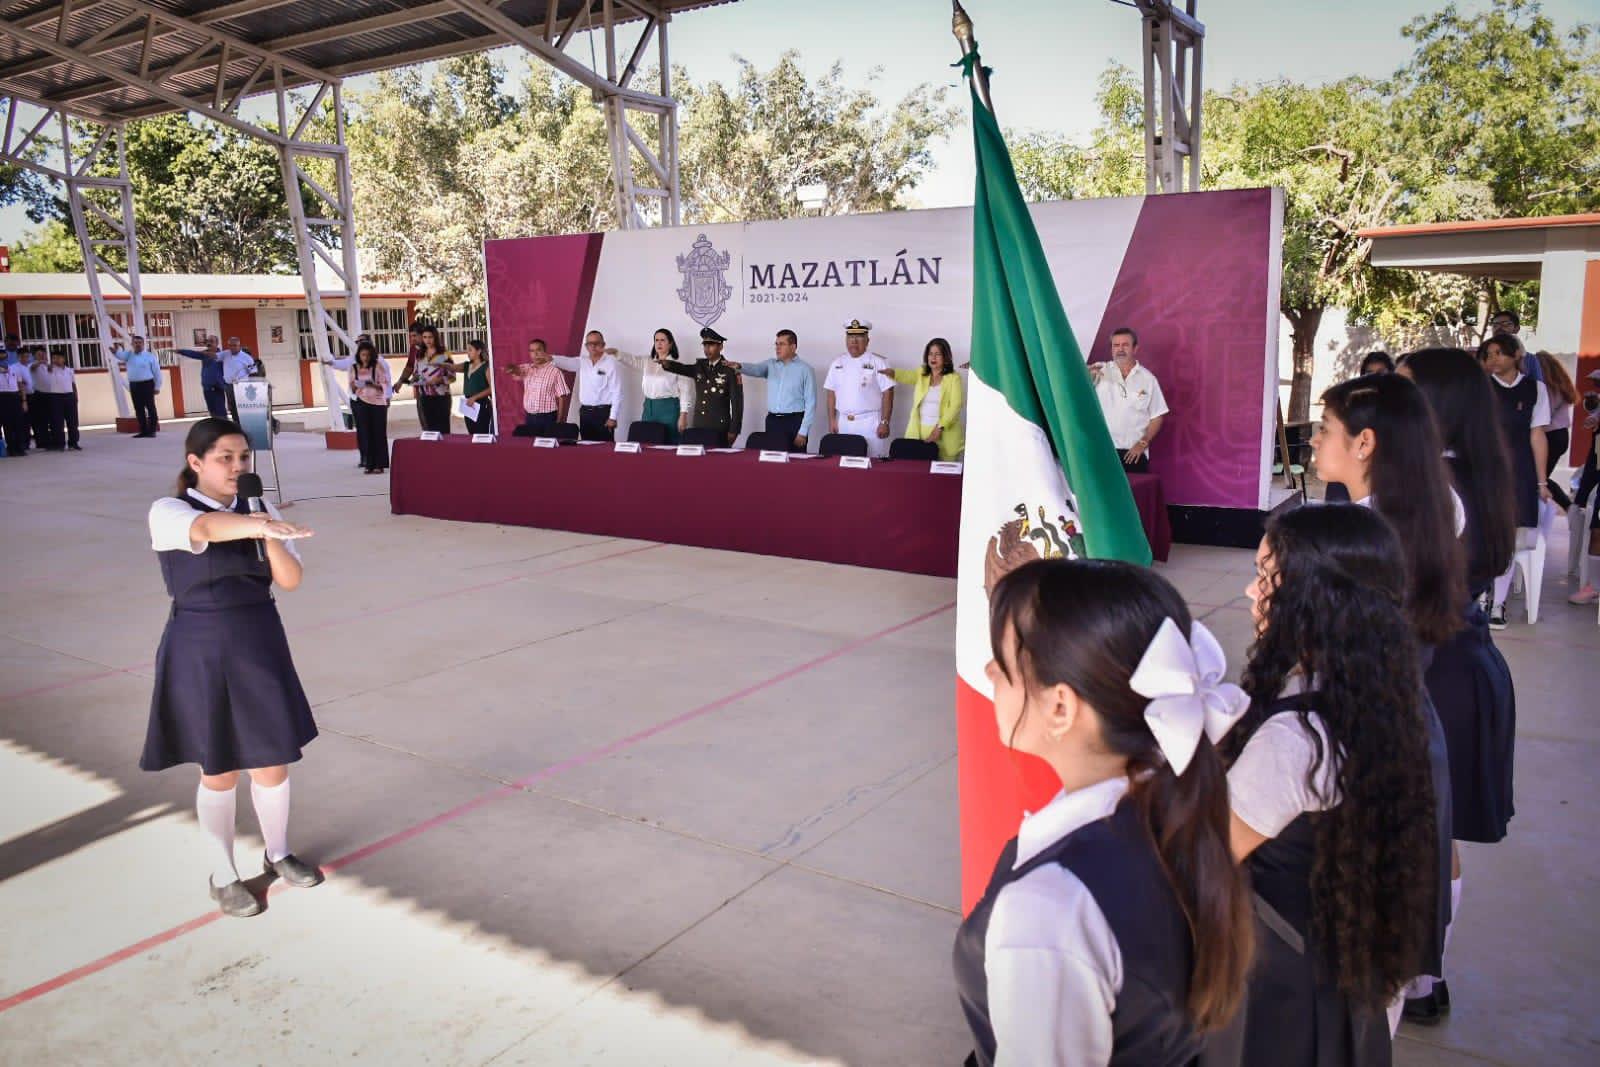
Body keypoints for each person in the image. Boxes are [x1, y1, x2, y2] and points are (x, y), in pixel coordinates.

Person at [957, 558, 1253, 1066]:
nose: (987, 671)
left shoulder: (1049, 908)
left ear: (1060, 708)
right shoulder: (1169, 805)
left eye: (1003, 661)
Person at [1224, 504, 1440, 1064]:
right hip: (1352, 980)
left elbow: (1201, 855)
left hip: (1286, 1004)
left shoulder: (1296, 741)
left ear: (1317, 598)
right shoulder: (1381, 697)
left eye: (1268, 577)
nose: (1252, 592)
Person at [1310, 373, 1464, 1032]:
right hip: (1409, 721)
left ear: (1365, 442)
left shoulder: (1361, 538)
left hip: (1366, 732)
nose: (1313, 440)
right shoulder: (1438, 506)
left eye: (1324, 428)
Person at [142, 418, 323, 918]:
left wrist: (268, 533)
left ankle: (278, 851)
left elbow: (289, 580)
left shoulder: (258, 509)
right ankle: (223, 875)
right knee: (218, 767)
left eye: (244, 457)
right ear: (195, 462)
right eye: (225, 457)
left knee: (272, 760)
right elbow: (205, 530)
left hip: (259, 638)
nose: (238, 467)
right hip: (199, 644)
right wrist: (260, 524)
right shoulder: (170, 510)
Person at [1397, 348, 1519, 1022]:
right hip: (1465, 663)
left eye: (1407, 390)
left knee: (1425, 834)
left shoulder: (1435, 487)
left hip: (1438, 670)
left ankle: (1419, 977)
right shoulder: (1476, 470)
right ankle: (1424, 976)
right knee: (1439, 840)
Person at [1478, 333, 1551, 629]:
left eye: (1499, 353)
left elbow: (1537, 435)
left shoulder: (1536, 389)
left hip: (1519, 471)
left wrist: (1542, 482)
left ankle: (1498, 603)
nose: (1493, 360)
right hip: (1485, 469)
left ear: (1517, 355)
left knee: (1509, 539)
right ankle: (1481, 594)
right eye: (1488, 355)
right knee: (1483, 535)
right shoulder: (1480, 389)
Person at [1088, 327, 1169, 473]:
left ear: (1135, 348)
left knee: (1133, 495)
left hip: (1133, 454)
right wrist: (1085, 376)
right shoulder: (1099, 370)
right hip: (1102, 451)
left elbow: (1157, 416)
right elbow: (1078, 391)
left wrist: (1142, 444)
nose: (1120, 349)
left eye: (1125, 345)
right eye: (1116, 345)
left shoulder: (1148, 379)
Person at [877, 336, 966, 460]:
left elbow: (956, 405)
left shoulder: (954, 377)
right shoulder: (922, 372)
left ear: (946, 357)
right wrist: (893, 373)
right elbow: (908, 376)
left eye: (937, 354)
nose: (933, 358)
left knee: (945, 477)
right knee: (919, 473)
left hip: (945, 434)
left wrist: (939, 428)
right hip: (919, 432)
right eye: (930, 354)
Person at [729, 329, 818, 451]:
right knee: (773, 460)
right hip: (773, 421)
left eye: (782, 344)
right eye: (776, 344)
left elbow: (811, 403)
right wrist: (739, 366)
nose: (777, 348)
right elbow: (755, 369)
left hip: (795, 422)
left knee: (795, 462)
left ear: (793, 347)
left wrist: (803, 431)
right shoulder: (770, 365)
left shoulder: (806, 369)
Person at [660, 327, 744, 446]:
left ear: (720, 347)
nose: (707, 349)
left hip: (719, 427)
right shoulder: (700, 366)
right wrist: (667, 364)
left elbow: (737, 403)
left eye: (711, 345)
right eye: (705, 345)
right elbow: (683, 368)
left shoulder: (730, 370)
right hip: (699, 425)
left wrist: (734, 430)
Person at [822, 319, 893, 457]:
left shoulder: (879, 362)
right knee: (844, 466)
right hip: (843, 423)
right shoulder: (837, 363)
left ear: (867, 340)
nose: (854, 341)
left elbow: (888, 393)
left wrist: (885, 422)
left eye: (859, 337)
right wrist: (832, 419)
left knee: (871, 464)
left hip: (869, 424)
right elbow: (831, 392)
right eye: (850, 337)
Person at [610, 328, 692, 443]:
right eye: (656, 340)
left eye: (662, 340)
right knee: (647, 442)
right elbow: (632, 360)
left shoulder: (678, 366)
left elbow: (685, 392)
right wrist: (616, 352)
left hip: (669, 408)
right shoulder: (647, 361)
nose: (659, 343)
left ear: (670, 343)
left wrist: (683, 415)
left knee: (669, 443)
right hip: (649, 408)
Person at [551, 330, 621, 441]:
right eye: (590, 344)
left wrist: (613, 417)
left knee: (605, 450)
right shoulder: (582, 361)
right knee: (587, 447)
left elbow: (617, 392)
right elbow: (566, 362)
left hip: (604, 413)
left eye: (596, 343)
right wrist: (550, 358)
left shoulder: (610, 363)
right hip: (585, 413)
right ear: (586, 346)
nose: (593, 346)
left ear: (603, 344)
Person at [1533, 351, 1577, 509]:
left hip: (1549, 436)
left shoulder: (1546, 387)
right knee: (1539, 477)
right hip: (1560, 435)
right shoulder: (1560, 384)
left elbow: (1544, 415)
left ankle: (1568, 507)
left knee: (1537, 478)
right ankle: (1568, 507)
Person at [503, 338, 570, 435]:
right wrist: (511, 368)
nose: (535, 354)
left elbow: (562, 397)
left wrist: (559, 421)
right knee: (532, 447)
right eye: (532, 351)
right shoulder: (527, 368)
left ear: (545, 352)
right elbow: (516, 370)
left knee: (547, 447)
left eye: (538, 350)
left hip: (548, 418)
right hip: (530, 417)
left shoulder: (555, 371)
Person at [345, 340, 392, 474]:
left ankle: (379, 464)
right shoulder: (354, 368)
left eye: (368, 355)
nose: (365, 358)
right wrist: (356, 385)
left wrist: (372, 384)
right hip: (362, 402)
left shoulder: (377, 366)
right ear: (359, 355)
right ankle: (368, 463)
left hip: (377, 403)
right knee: (365, 433)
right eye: (363, 355)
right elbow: (352, 386)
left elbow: (384, 384)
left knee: (378, 432)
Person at [406, 325, 456, 435]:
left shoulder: (444, 354)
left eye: (430, 337)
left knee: (443, 431)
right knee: (429, 430)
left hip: (441, 397)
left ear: (436, 338)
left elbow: (452, 377)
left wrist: (439, 380)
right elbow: (416, 373)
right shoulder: (419, 355)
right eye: (425, 337)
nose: (427, 340)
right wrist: (413, 380)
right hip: (424, 397)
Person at [116, 334, 163, 438]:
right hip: (134, 385)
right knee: (138, 408)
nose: (138, 345)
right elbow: (118, 355)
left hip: (147, 384)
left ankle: (152, 430)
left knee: (150, 408)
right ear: (132, 344)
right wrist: (116, 348)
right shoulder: (128, 355)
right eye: (135, 343)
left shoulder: (150, 356)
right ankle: (143, 431)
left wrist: (157, 387)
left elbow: (157, 372)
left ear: (143, 344)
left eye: (140, 343)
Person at [178, 335, 229, 418]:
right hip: (207, 388)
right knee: (212, 411)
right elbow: (192, 353)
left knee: (221, 411)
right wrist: (180, 351)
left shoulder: (222, 355)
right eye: (208, 341)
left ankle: (225, 428)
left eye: (211, 341)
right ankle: (216, 428)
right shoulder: (204, 354)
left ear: (217, 343)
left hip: (218, 387)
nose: (209, 343)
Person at [46, 349, 82, 452]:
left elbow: (73, 384)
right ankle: (59, 444)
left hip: (69, 396)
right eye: (54, 358)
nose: (56, 360)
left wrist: (76, 396)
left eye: (58, 357)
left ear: (63, 359)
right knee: (57, 422)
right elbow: (48, 368)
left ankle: (73, 443)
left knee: (73, 421)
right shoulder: (51, 369)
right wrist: (50, 364)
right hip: (56, 397)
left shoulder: (69, 370)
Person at [218, 336, 257, 424]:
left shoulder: (247, 357)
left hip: (242, 386)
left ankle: (247, 424)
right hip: (229, 386)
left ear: (239, 346)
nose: (233, 347)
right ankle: (237, 424)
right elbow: (215, 357)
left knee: (243, 406)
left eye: (235, 345)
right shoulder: (226, 354)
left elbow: (254, 372)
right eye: (231, 345)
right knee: (232, 406)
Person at [460, 339, 494, 436]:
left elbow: (492, 388)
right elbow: (451, 367)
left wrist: (475, 397)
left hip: (481, 404)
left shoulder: (486, 366)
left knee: (481, 433)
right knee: (471, 433)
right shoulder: (467, 365)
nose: (468, 353)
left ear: (479, 351)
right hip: (468, 404)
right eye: (467, 350)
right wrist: (441, 364)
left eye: (470, 350)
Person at [0, 352, 29, 456]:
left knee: (19, 423)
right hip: (2, 398)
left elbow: (21, 385)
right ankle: (11, 448)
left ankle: (20, 447)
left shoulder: (14, 369)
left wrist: (24, 401)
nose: (2, 360)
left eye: (4, 357)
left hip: (15, 397)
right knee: (8, 425)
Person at [28, 346, 54, 450]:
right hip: (39, 395)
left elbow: (52, 371)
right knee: (41, 421)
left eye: (43, 354)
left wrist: (47, 364)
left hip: (50, 395)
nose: (42, 356)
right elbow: (32, 367)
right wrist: (40, 361)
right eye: (39, 354)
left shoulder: (46, 366)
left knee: (51, 419)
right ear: (34, 356)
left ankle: (52, 440)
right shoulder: (33, 365)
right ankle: (43, 442)